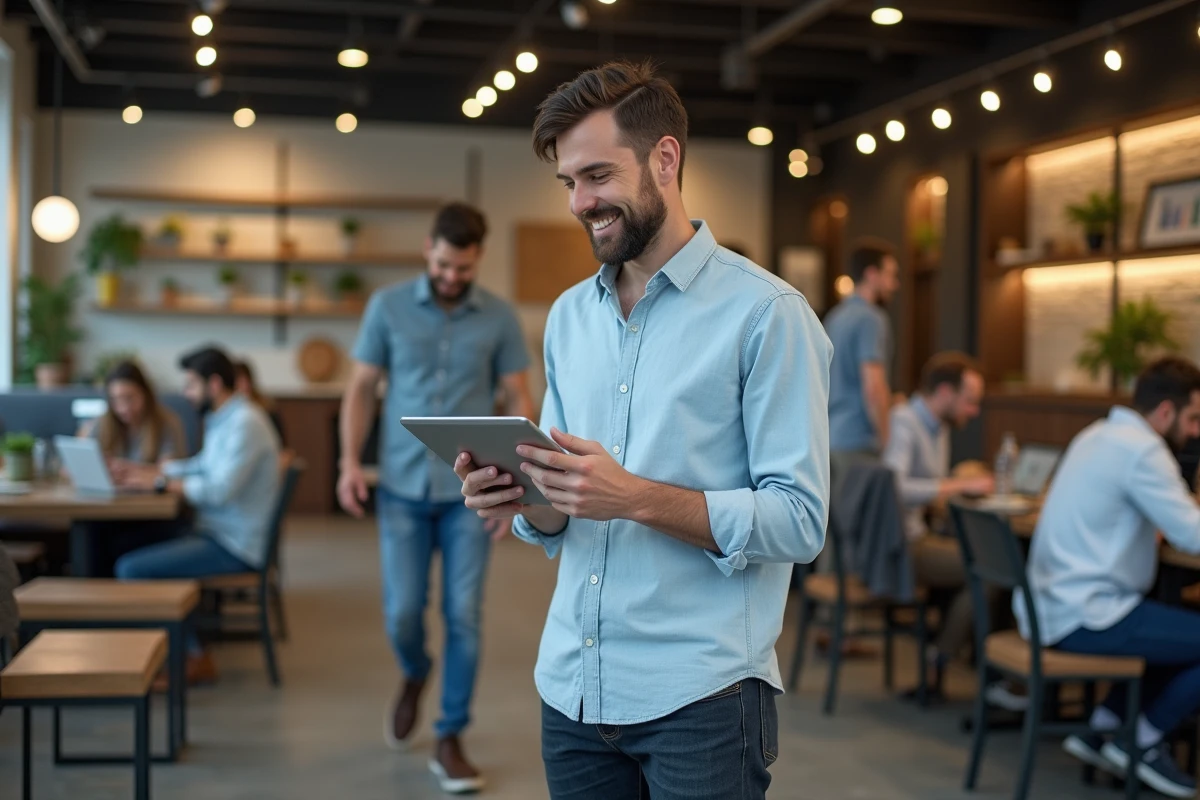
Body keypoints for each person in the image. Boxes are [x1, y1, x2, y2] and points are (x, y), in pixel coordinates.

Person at [457, 61, 831, 800]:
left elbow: (801, 521)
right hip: (573, 687)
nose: (580, 202)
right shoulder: (569, 318)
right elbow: (566, 513)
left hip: (703, 699)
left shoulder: (766, 315)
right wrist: (526, 497)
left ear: (665, 158)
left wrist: (634, 497)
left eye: (597, 175)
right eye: (568, 182)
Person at [337, 202, 534, 793]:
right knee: (402, 612)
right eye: (445, 265)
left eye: (464, 269)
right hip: (400, 488)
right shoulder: (388, 307)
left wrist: (515, 486)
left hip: (471, 496)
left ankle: (450, 735)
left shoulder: (498, 317)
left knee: (463, 615)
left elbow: (518, 396)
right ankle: (415, 672)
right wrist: (350, 461)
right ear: (429, 249)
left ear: (478, 260)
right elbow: (362, 388)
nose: (452, 277)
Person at [1018, 356, 1200, 799]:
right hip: (1085, 613)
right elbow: (1191, 534)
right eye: (1194, 418)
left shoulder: (1096, 434)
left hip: (1048, 607)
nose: (1196, 431)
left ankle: (1100, 730)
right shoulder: (1144, 451)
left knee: (1170, 628)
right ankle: (1142, 740)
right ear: (1165, 412)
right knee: (1178, 629)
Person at [112, 346, 281, 683]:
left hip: (234, 545)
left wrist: (160, 482)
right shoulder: (227, 418)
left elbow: (218, 490)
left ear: (214, 384)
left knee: (133, 568)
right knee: (120, 543)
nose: (187, 393)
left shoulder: (245, 423)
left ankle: (193, 656)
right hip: (218, 532)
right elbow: (203, 465)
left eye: (191, 385)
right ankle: (144, 649)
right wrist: (144, 470)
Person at [881, 352, 1020, 704]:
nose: (973, 412)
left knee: (995, 561)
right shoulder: (904, 420)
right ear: (944, 392)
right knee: (990, 570)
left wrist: (957, 485)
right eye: (970, 401)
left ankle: (976, 667)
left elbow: (934, 488)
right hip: (902, 544)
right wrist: (959, 487)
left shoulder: (938, 427)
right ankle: (942, 661)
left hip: (924, 535)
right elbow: (894, 486)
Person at [824, 241, 899, 457]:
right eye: (890, 275)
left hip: (831, 437)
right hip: (859, 440)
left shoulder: (835, 316)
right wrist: (887, 441)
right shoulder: (871, 319)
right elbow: (873, 387)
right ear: (872, 274)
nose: (894, 284)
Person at [81, 360, 186, 464]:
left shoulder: (166, 422)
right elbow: (76, 464)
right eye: (115, 399)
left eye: (129, 398)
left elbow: (170, 471)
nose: (123, 408)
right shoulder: (103, 422)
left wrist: (129, 471)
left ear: (145, 394)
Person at [234, 358, 285, 444]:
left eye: (247, 380)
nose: (245, 386)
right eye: (240, 381)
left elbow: (282, 445)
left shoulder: (267, 408)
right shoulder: (228, 413)